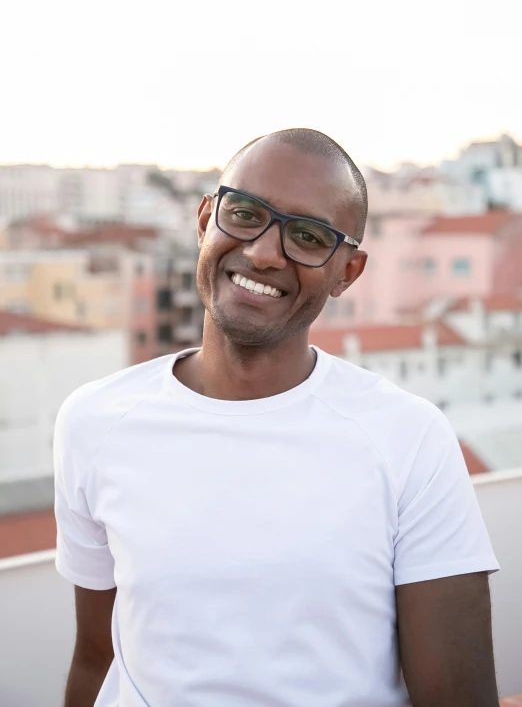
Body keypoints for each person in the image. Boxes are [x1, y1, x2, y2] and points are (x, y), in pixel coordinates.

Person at [54, 128, 500, 707]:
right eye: (244, 213)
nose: (264, 252)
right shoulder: (94, 421)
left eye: (309, 237)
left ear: (348, 272)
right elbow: (96, 657)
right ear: (204, 221)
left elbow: (458, 697)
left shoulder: (408, 437)